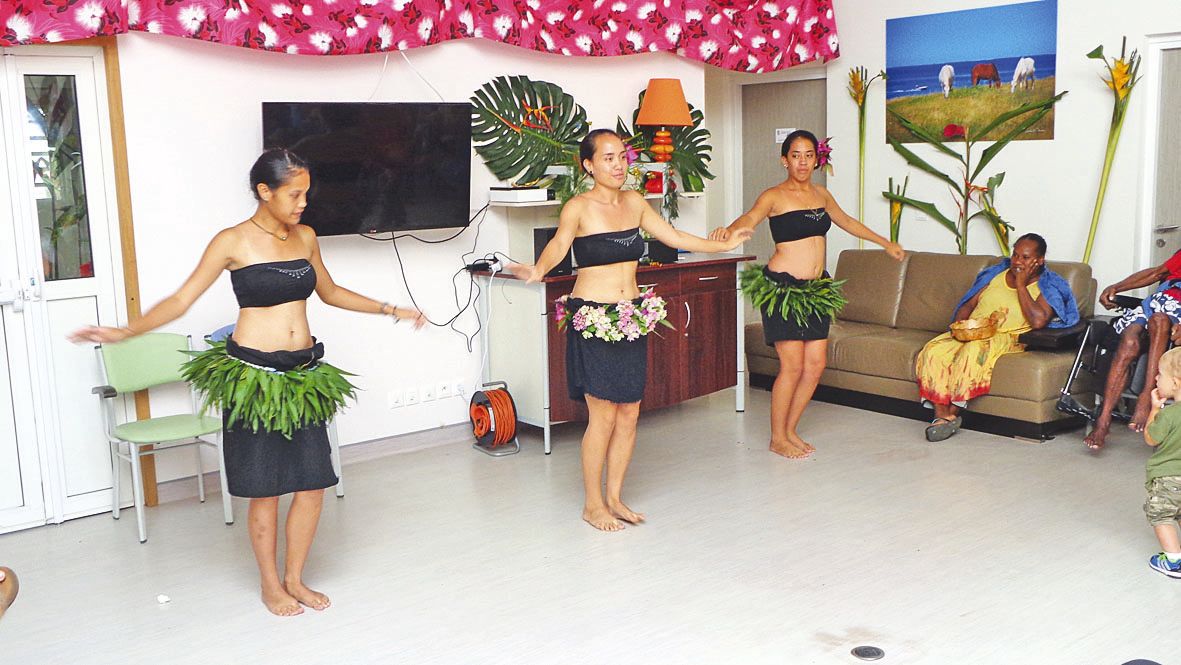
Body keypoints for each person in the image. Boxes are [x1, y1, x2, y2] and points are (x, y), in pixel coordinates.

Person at [70, 149, 426, 616]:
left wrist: (391, 308)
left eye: (306, 194)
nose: (303, 203)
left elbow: (331, 292)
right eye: (295, 194)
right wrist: (126, 331)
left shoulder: (306, 236)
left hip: (303, 375)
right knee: (265, 489)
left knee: (312, 483)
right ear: (265, 191)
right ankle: (270, 584)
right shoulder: (232, 241)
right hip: (255, 377)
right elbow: (181, 300)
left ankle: (296, 578)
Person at [517, 129, 751, 532]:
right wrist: (538, 270)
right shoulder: (579, 207)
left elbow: (674, 237)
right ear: (588, 165)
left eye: (622, 156)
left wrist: (724, 247)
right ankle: (593, 504)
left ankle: (614, 497)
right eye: (608, 158)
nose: (618, 164)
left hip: (630, 318)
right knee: (603, 416)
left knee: (629, 413)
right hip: (594, 318)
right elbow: (558, 246)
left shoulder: (635, 202)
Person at [709, 129, 904, 459]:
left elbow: (847, 222)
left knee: (815, 365)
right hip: (784, 289)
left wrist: (885, 242)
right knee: (793, 366)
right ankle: (776, 437)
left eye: (809, 155)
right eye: (796, 155)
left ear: (817, 160)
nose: (802, 161)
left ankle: (790, 430)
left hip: (817, 289)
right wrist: (728, 230)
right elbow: (751, 218)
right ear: (785, 160)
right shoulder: (774, 196)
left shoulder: (822, 196)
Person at [915, 233, 1079, 441]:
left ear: (1039, 261)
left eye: (1025, 258)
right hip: (972, 331)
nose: (1018, 261)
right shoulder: (994, 275)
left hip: (1007, 337)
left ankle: (952, 413)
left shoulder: (1048, 286)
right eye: (1016, 255)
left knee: (974, 353)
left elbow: (1038, 321)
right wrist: (960, 326)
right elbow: (968, 305)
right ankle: (941, 416)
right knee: (933, 351)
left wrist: (1021, 284)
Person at [1084, 250, 1181, 451]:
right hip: (1156, 302)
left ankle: (1146, 396)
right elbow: (1156, 273)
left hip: (1174, 315)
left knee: (1160, 321)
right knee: (1129, 342)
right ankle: (1103, 420)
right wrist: (1116, 287)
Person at [1140, 347, 1181, 578]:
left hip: (1168, 478)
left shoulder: (1170, 414)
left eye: (1160, 375)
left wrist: (1155, 409)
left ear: (1174, 383)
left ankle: (1174, 562)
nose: (1156, 378)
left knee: (1162, 515)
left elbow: (1151, 438)